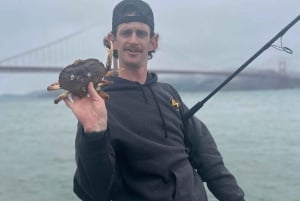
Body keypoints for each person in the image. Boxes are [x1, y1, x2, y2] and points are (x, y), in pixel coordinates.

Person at [64, 0, 245, 200]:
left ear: (153, 41)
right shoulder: (99, 104)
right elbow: (93, 191)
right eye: (126, 33)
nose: (133, 40)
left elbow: (210, 161)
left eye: (141, 33)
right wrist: (94, 135)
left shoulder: (169, 94)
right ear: (112, 40)